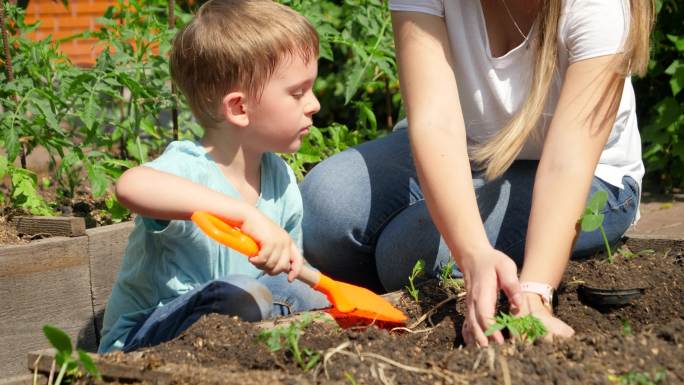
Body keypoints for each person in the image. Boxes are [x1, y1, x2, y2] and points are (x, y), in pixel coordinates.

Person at [301, 0, 654, 347]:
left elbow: (568, 162)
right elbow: (435, 122)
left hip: (589, 175)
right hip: (471, 147)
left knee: (409, 251)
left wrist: (535, 290)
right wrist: (472, 253)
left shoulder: (601, 7)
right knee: (325, 207)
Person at [98, 0, 327, 354]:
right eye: (297, 93)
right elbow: (130, 186)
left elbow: (289, 276)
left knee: (294, 294)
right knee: (238, 292)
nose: (314, 104)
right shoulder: (190, 169)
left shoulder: (279, 178)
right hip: (143, 342)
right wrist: (245, 215)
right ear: (239, 107)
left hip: (240, 325)